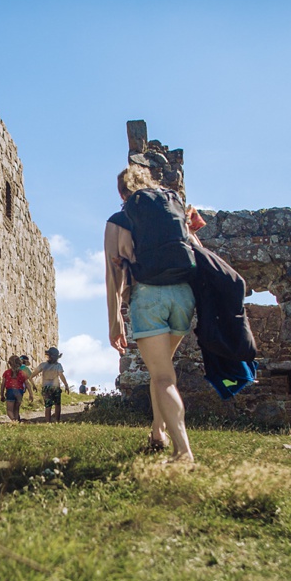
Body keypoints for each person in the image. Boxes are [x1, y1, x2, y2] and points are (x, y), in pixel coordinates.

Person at [105, 165, 197, 462]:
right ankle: (158, 432)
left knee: (162, 377)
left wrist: (115, 319)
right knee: (163, 370)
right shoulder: (176, 207)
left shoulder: (120, 219)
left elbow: (113, 274)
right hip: (183, 295)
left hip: (149, 296)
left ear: (122, 193)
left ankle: (183, 451)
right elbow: (198, 251)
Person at [30, 347, 70, 422]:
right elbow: (61, 375)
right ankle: (57, 420)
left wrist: (33, 384)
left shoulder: (43, 365)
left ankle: (48, 421)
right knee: (57, 404)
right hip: (55, 387)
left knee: (48, 406)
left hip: (46, 387)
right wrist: (66, 385)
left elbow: (32, 375)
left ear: (48, 356)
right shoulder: (58, 366)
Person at [1, 356, 30, 422]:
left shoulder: (6, 373)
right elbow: (27, 383)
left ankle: (14, 421)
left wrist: (2, 394)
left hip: (10, 391)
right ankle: (17, 421)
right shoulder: (22, 373)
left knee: (9, 411)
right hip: (20, 392)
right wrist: (31, 394)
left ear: (10, 364)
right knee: (16, 410)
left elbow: (3, 384)